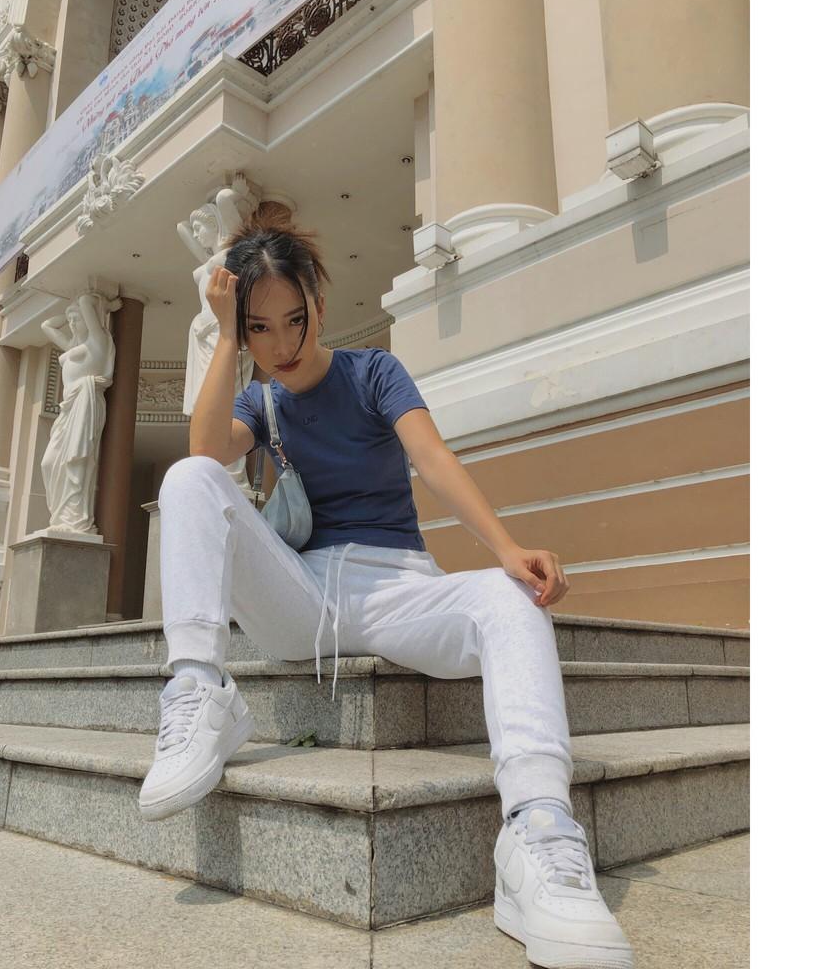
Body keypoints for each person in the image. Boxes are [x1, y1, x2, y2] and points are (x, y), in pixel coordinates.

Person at [138, 211, 634, 968]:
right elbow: (207, 454)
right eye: (260, 327)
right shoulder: (259, 400)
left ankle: (539, 833)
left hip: (399, 587)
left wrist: (506, 550)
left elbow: (432, 461)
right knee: (188, 477)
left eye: (295, 319)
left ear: (320, 304)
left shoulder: (374, 373)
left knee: (508, 599)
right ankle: (201, 690)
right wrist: (226, 339)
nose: (282, 344)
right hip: (302, 596)